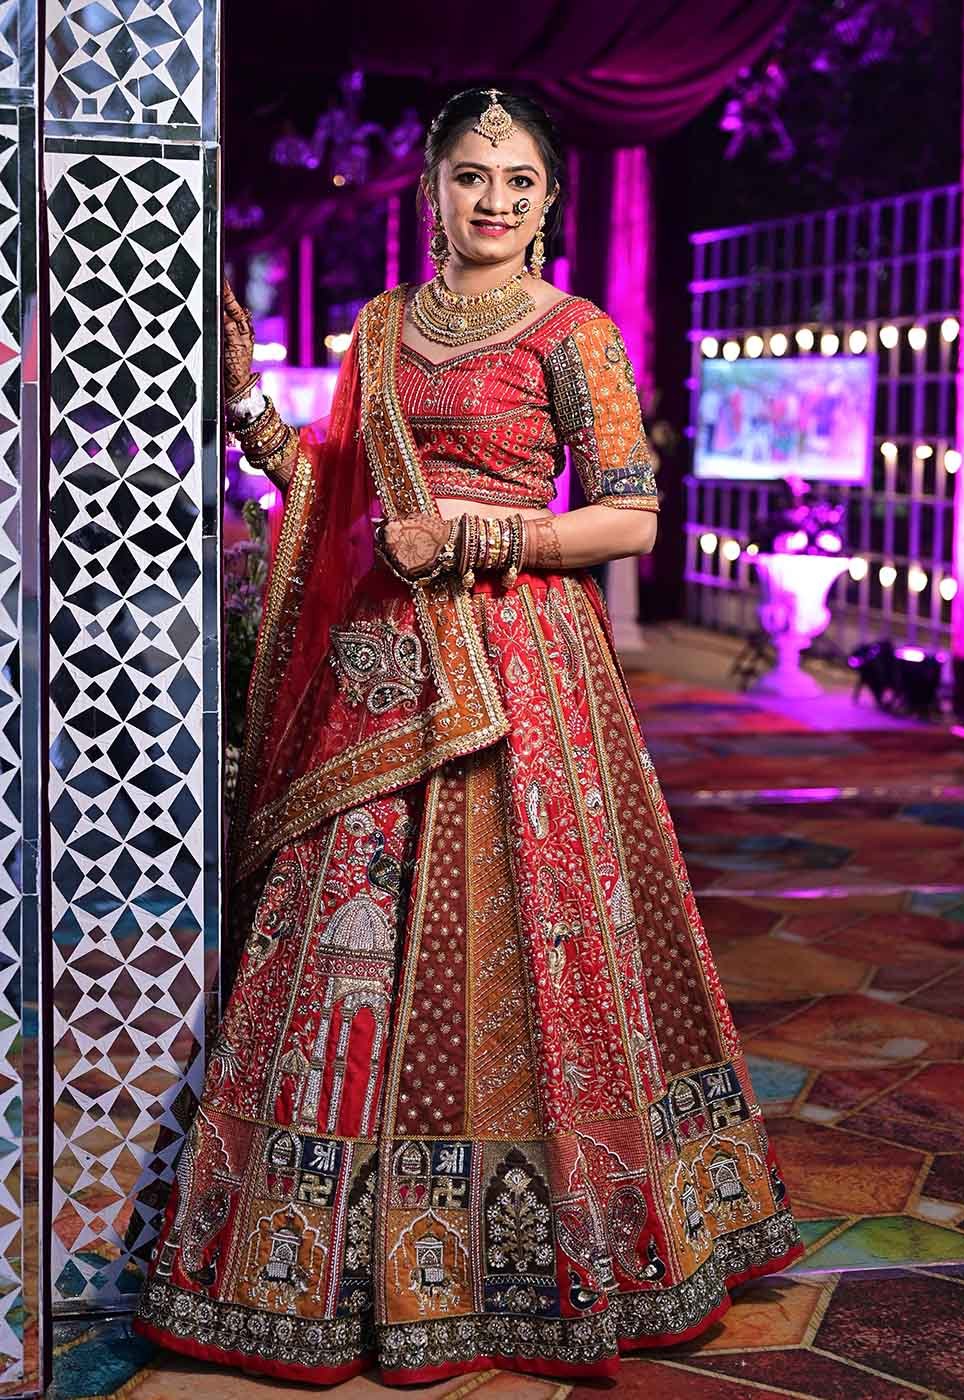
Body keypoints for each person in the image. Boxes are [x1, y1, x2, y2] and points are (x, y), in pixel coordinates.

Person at [133, 86, 804, 1387]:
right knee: (348, 945)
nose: (494, 200)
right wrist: (243, 405)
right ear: (432, 190)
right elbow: (331, 491)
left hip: (523, 671)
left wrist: (479, 535)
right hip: (387, 674)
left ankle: (559, 1250)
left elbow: (631, 518)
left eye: (519, 181)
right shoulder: (384, 329)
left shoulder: (574, 331)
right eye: (470, 176)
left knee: (533, 938)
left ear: (549, 202)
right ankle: (310, 1260)